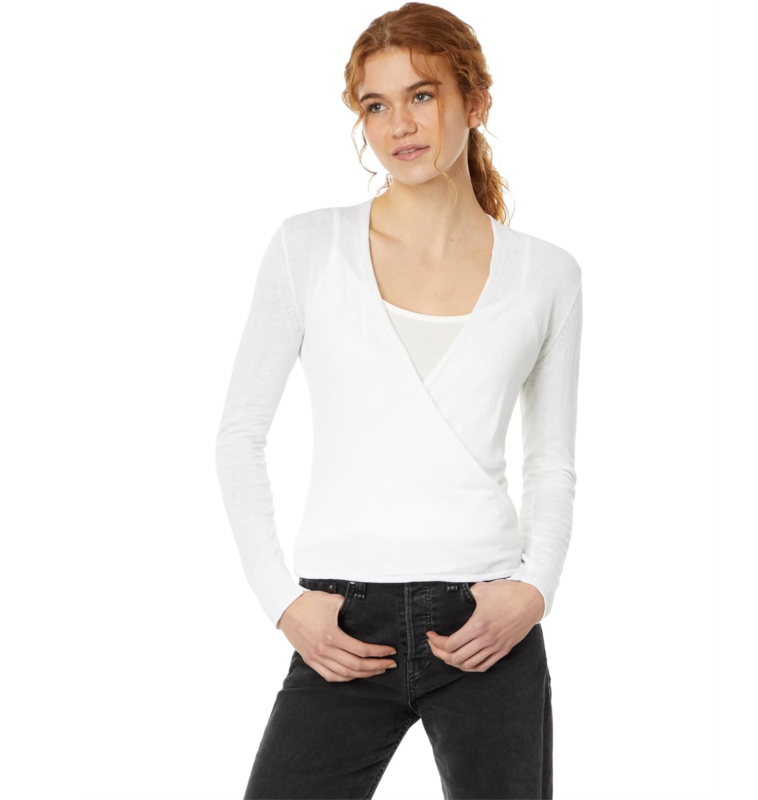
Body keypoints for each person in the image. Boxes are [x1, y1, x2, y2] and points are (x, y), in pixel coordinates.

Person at [215, 4, 583, 798]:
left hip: (487, 623)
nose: (399, 126)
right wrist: (283, 602)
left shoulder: (547, 274)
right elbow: (240, 436)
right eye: (375, 105)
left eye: (422, 95)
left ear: (475, 102)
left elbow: (551, 460)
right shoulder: (309, 248)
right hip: (340, 625)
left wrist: (534, 591)